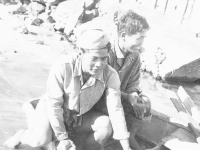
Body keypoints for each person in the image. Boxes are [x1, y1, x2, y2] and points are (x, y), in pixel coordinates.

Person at [4, 29, 132, 150]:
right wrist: (63, 138)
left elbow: (116, 109)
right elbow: (54, 105)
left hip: (77, 115)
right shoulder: (63, 66)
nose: (99, 64)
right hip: (51, 109)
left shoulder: (110, 75)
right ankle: (23, 134)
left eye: (103, 58)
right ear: (81, 53)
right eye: (94, 58)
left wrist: (126, 147)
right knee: (39, 141)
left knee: (105, 125)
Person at [91, 10, 152, 150]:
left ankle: (130, 137)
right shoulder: (107, 53)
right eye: (139, 38)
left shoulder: (135, 55)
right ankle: (108, 140)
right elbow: (100, 87)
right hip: (99, 99)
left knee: (145, 103)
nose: (142, 43)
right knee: (111, 113)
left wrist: (134, 94)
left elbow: (133, 82)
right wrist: (127, 97)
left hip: (121, 97)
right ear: (124, 35)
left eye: (144, 38)